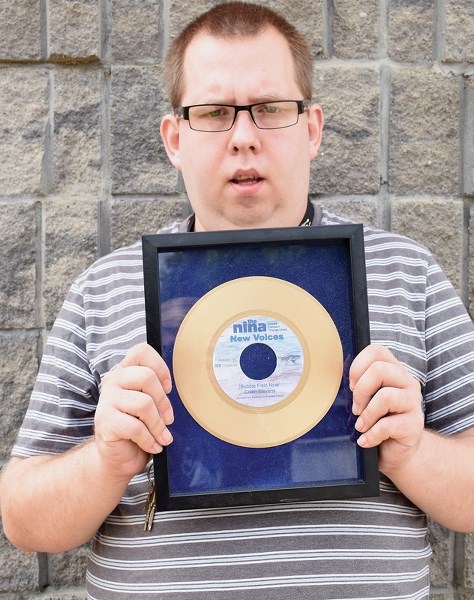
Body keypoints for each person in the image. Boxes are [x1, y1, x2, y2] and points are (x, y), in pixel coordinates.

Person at [1, 2, 474, 598]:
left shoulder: (409, 272)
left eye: (271, 109)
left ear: (312, 128)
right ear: (175, 138)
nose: (244, 137)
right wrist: (104, 461)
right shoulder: (103, 287)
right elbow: (23, 520)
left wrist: (411, 453)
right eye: (214, 112)